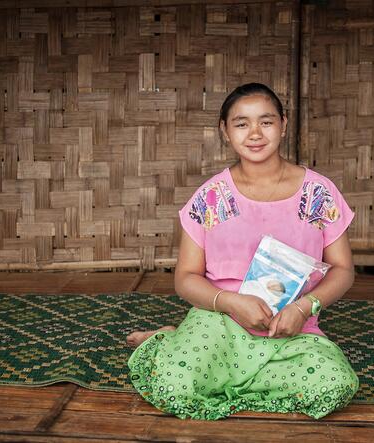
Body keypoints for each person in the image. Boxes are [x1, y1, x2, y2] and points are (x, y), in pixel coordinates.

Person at [127, 83, 359, 420]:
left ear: (283, 122)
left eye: (265, 122)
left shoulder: (319, 192)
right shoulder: (210, 198)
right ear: (225, 130)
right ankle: (169, 342)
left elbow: (343, 270)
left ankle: (192, 353)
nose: (254, 133)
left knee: (334, 386)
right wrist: (231, 302)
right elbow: (185, 279)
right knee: (173, 387)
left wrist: (303, 308)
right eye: (241, 123)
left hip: (290, 326)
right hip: (220, 322)